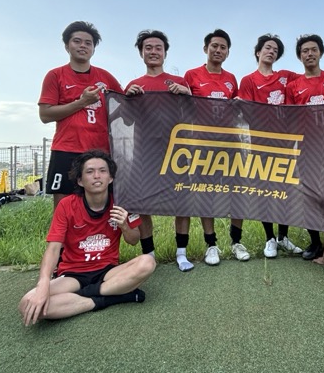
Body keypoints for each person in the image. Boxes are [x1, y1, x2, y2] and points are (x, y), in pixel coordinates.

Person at [19, 150, 155, 325]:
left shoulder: (122, 203)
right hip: (73, 274)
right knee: (27, 303)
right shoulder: (66, 205)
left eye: (103, 171)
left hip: (108, 271)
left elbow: (134, 240)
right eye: (90, 171)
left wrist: (124, 226)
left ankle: (83, 296)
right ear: (80, 180)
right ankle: (110, 298)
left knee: (147, 263)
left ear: (111, 178)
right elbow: (53, 249)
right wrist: (43, 284)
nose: (97, 176)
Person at [124, 30, 194, 272]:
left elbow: (194, 115)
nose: (153, 52)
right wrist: (128, 99)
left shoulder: (179, 82)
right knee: (144, 205)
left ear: (165, 53)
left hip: (176, 153)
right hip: (145, 154)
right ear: (141, 53)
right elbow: (126, 121)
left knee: (182, 202)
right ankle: (149, 255)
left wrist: (188, 95)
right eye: (148, 48)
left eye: (158, 48)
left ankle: (182, 253)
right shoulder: (134, 85)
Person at [39, 21, 123, 210]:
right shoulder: (55, 75)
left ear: (93, 48)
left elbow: (124, 104)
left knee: (102, 205)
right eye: (77, 41)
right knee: (63, 207)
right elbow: (45, 114)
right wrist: (82, 102)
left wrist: (133, 92)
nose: (83, 46)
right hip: (66, 149)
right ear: (67, 45)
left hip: (101, 151)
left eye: (88, 43)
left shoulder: (105, 77)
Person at [184, 29, 249, 265]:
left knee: (237, 191)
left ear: (228, 52)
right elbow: (183, 107)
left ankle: (236, 242)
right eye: (214, 46)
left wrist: (240, 104)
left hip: (230, 143)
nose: (218, 50)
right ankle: (211, 245)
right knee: (206, 192)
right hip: (202, 145)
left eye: (223, 47)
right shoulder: (191, 75)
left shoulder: (232, 78)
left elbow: (238, 110)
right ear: (206, 48)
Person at [237, 34, 303, 258]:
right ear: (258, 52)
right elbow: (247, 112)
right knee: (265, 191)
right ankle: (270, 238)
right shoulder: (248, 80)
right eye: (267, 47)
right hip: (261, 144)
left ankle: (283, 237)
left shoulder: (286, 76)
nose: (271, 51)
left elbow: (310, 82)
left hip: (285, 143)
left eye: (275, 50)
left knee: (284, 190)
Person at [285, 34, 324, 261]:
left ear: (320, 52)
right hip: (307, 148)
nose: (309, 54)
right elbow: (289, 118)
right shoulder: (293, 86)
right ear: (299, 56)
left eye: (313, 49)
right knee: (309, 194)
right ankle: (315, 242)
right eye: (305, 51)